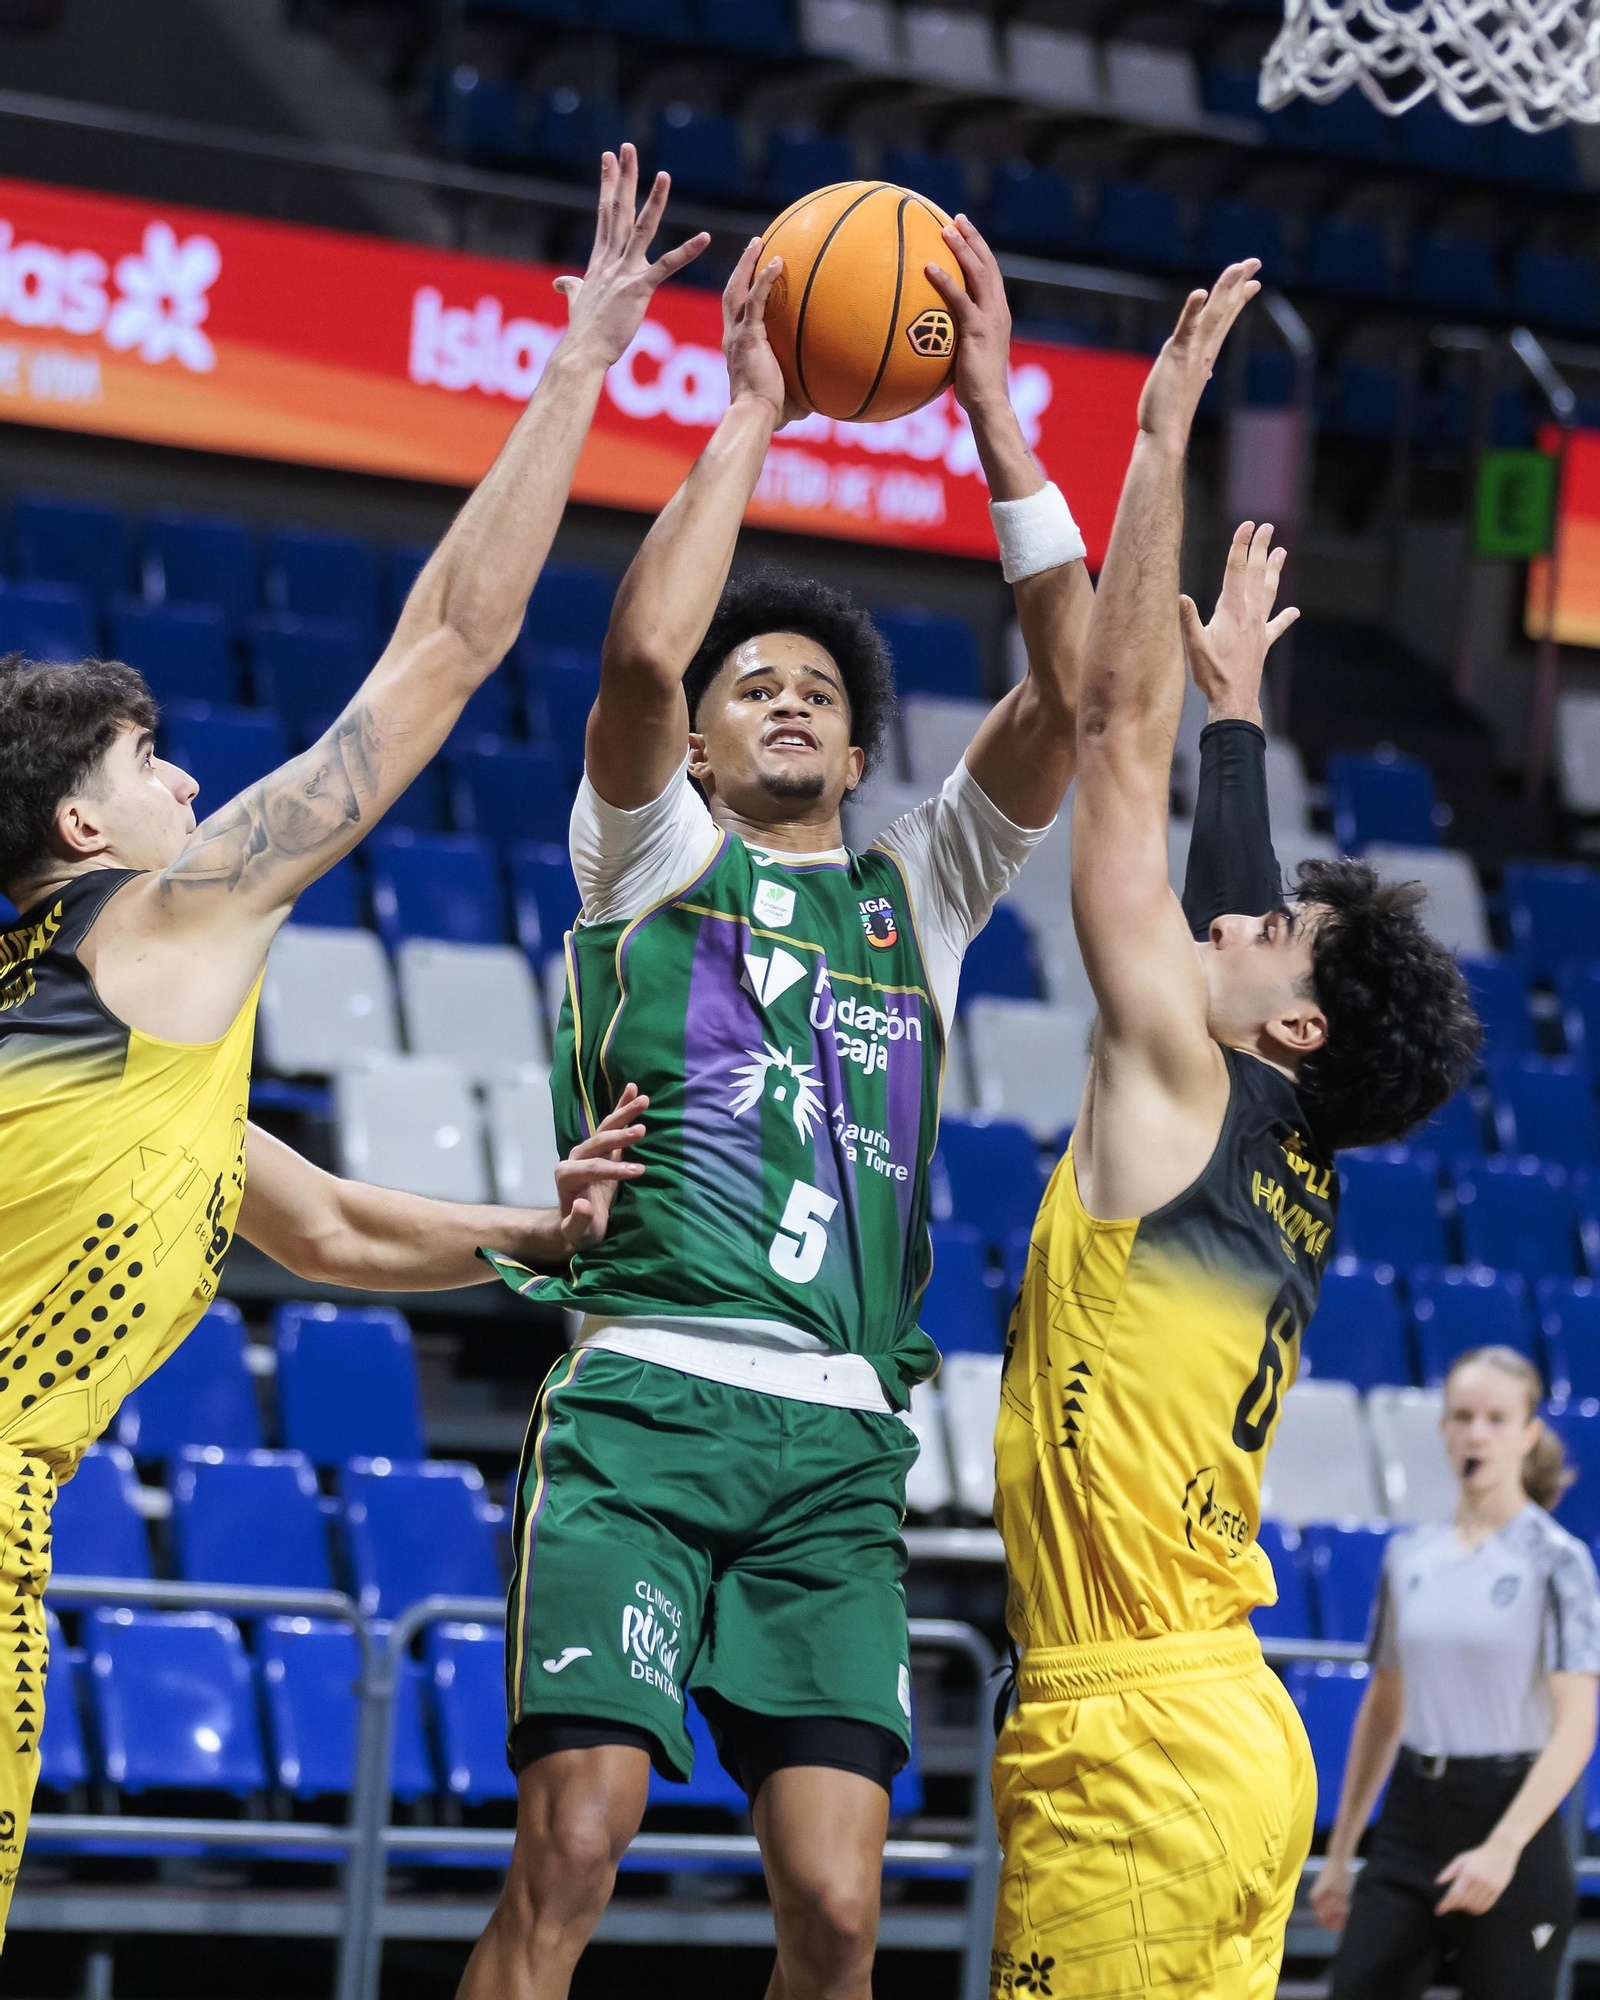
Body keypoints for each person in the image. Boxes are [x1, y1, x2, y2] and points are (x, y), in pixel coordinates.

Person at [0, 147, 705, 1941]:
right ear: (82, 838)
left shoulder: (92, 1046)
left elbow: (308, 1228)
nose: (186, 780)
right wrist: (575, 369)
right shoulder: (157, 929)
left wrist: (535, 1242)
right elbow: (448, 648)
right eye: (147, 766)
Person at [457, 216, 1091, 2000]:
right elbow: (646, 660)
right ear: (711, 754)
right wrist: (752, 409)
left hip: (835, 1455)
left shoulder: (927, 894)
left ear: (862, 750)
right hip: (646, 1405)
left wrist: (994, 407)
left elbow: (1081, 696)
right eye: (761, 688)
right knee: (570, 1853)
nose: (787, 695)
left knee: (838, 1911)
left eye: (818, 687)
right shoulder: (645, 852)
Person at [989, 262, 1482, 2000]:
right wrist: (1245, 724)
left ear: (1294, 1024)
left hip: (1129, 1738)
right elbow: (1233, 905)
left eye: (1268, 934)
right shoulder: (1288, 1142)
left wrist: (1157, 434)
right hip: (1232, 1733)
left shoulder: (1194, 1081)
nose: (1231, 916)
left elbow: (1108, 736)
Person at [1313, 1345, 1600, 1999]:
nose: (1477, 1433)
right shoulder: (1408, 1556)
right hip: (1413, 1817)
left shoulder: (1558, 1562)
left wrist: (1503, 1848)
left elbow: (1577, 1727)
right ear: (1442, 1427)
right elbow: (1383, 1710)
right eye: (1462, 1416)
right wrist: (1338, 1856)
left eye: (1497, 1419)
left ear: (1528, 1434)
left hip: (1514, 1817)